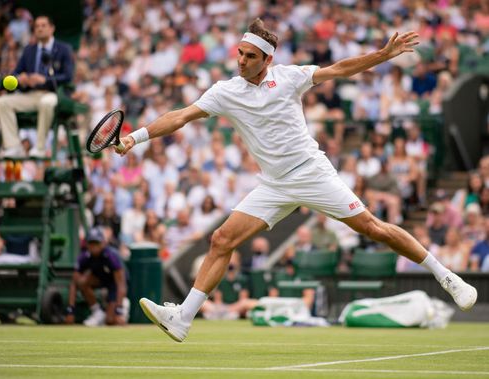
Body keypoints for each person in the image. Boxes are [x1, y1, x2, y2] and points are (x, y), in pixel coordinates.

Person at [116, 19, 477, 342]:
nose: (241, 61)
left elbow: (341, 69)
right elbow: (180, 116)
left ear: (267, 60)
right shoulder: (225, 91)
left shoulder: (289, 77)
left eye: (250, 57)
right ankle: (183, 318)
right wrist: (137, 137)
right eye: (239, 54)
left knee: (373, 228)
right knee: (221, 239)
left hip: (311, 173)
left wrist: (383, 55)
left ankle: (447, 277)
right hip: (273, 184)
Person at [0, 15, 74, 158]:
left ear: (52, 28)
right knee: (2, 102)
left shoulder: (63, 49)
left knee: (46, 102)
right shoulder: (29, 50)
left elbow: (68, 76)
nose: (40, 29)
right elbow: (16, 74)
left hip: (52, 94)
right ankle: (13, 147)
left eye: (43, 25)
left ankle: (40, 147)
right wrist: (21, 79)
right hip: (31, 95)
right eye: (37, 26)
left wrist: (45, 80)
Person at [67, 228, 128, 326]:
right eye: (91, 243)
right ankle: (97, 312)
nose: (94, 246)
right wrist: (70, 310)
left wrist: (119, 310)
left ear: (103, 243)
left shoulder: (112, 256)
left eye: (97, 243)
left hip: (115, 284)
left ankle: (123, 304)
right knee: (81, 281)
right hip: (100, 279)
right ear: (87, 244)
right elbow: (74, 283)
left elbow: (121, 284)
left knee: (110, 321)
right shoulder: (84, 256)